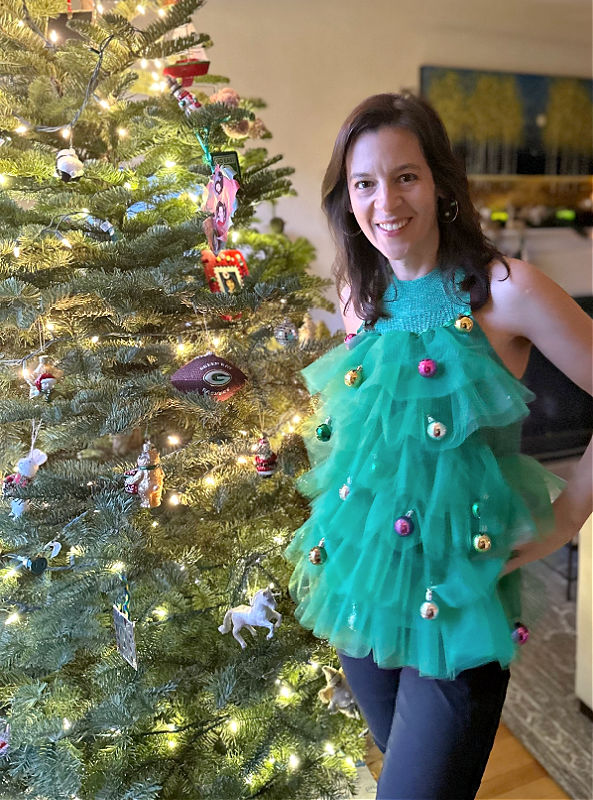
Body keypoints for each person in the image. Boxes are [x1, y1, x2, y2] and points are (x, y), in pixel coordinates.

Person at [284, 92, 592, 800]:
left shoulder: (504, 289)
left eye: (405, 176)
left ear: (440, 184)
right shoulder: (358, 289)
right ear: (347, 198)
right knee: (407, 769)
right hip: (361, 584)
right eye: (364, 183)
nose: (384, 201)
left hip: (458, 599)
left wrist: (568, 516)